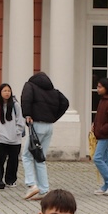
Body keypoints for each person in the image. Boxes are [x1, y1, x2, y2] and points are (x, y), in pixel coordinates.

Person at [20, 71, 70, 200]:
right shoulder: (53, 91)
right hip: (49, 127)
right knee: (40, 158)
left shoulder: (30, 85)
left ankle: (31, 185)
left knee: (26, 155)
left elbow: (26, 98)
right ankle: (44, 189)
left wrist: (27, 114)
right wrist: (53, 117)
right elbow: (65, 103)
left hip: (36, 125)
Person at [0, 83, 24, 188]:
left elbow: (20, 120)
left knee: (13, 161)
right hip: (1, 138)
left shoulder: (16, 105)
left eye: (8, 91)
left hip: (15, 139)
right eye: (4, 91)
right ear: (0, 93)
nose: (7, 93)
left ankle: (10, 180)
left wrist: (17, 132)